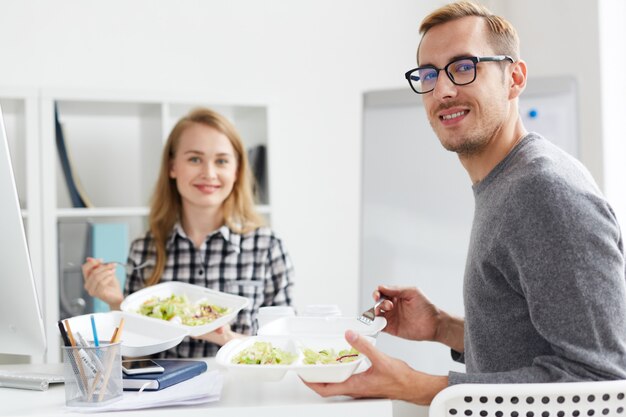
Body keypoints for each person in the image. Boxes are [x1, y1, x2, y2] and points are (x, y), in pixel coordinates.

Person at [306, 1, 626, 405]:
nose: (442, 90)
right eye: (428, 74)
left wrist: (415, 385)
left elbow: (598, 379)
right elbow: (530, 344)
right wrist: (441, 326)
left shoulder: (544, 191)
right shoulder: (506, 182)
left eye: (463, 67)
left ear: (514, 78)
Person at [82, 107, 294, 358]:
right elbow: (134, 360)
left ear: (236, 171)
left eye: (222, 161)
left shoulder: (267, 247)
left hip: (244, 393)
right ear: (172, 167)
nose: (209, 173)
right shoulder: (145, 249)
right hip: (167, 394)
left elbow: (285, 348)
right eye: (195, 159)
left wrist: (226, 338)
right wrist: (116, 302)